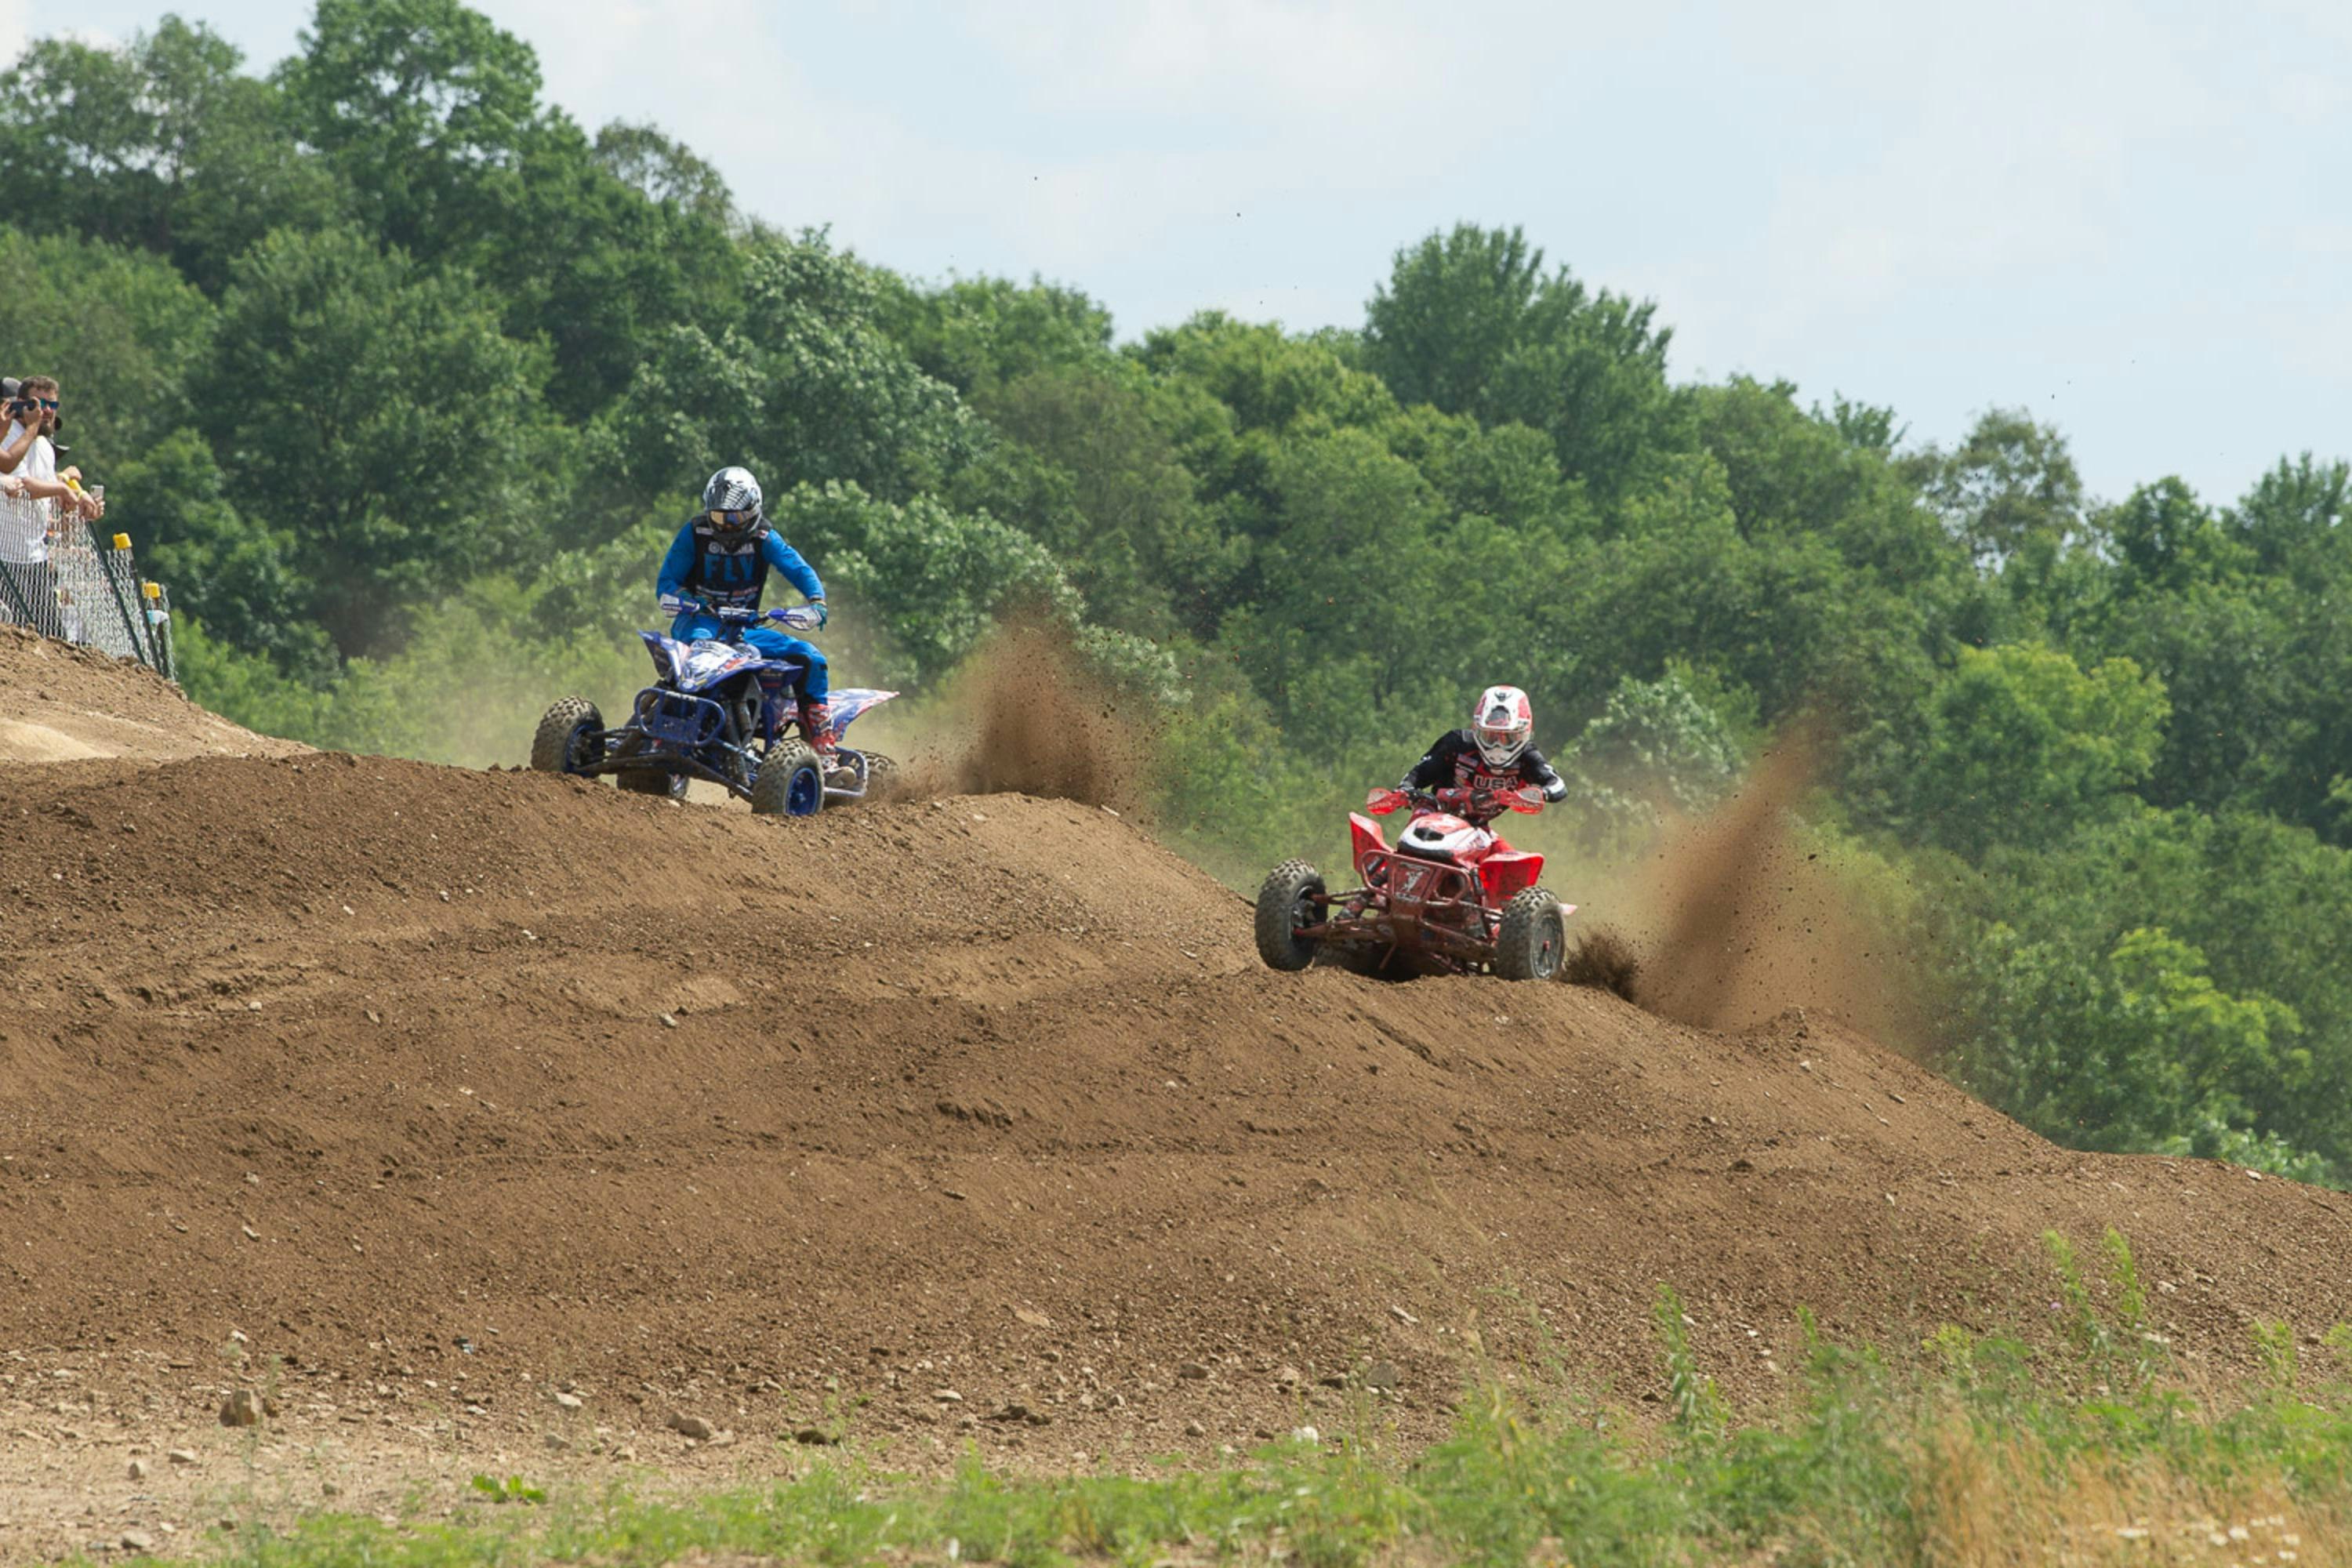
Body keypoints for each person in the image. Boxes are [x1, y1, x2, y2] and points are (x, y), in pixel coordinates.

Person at [655, 465, 847, 780]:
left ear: (753, 509)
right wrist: (687, 599)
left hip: (746, 628)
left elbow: (798, 568)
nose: (727, 526)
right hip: (700, 622)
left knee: (811, 658)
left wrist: (816, 601)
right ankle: (667, 728)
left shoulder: (764, 537)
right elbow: (667, 583)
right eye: (719, 517)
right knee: (699, 650)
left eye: (735, 518)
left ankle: (823, 752)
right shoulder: (695, 532)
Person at [1397, 684, 1570, 821]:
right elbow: (1417, 775)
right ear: (1477, 729)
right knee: (1419, 819)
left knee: (1519, 862)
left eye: (1507, 738)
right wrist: (1405, 791)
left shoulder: (1527, 756)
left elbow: (1558, 785)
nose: (1497, 746)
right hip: (1434, 815)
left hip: (1477, 830)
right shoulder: (1457, 743)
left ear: (1523, 734)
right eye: (1490, 736)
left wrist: (1542, 793)